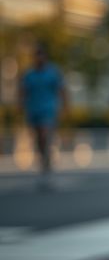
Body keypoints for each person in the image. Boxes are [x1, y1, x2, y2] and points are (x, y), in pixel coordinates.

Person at [18, 44, 67, 190]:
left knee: (45, 137)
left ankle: (47, 169)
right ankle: (44, 166)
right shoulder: (29, 74)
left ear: (45, 57)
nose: (39, 59)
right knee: (38, 141)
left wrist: (65, 107)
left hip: (48, 111)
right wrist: (20, 105)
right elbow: (23, 91)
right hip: (33, 111)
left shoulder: (53, 73)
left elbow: (61, 89)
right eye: (37, 56)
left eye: (41, 55)